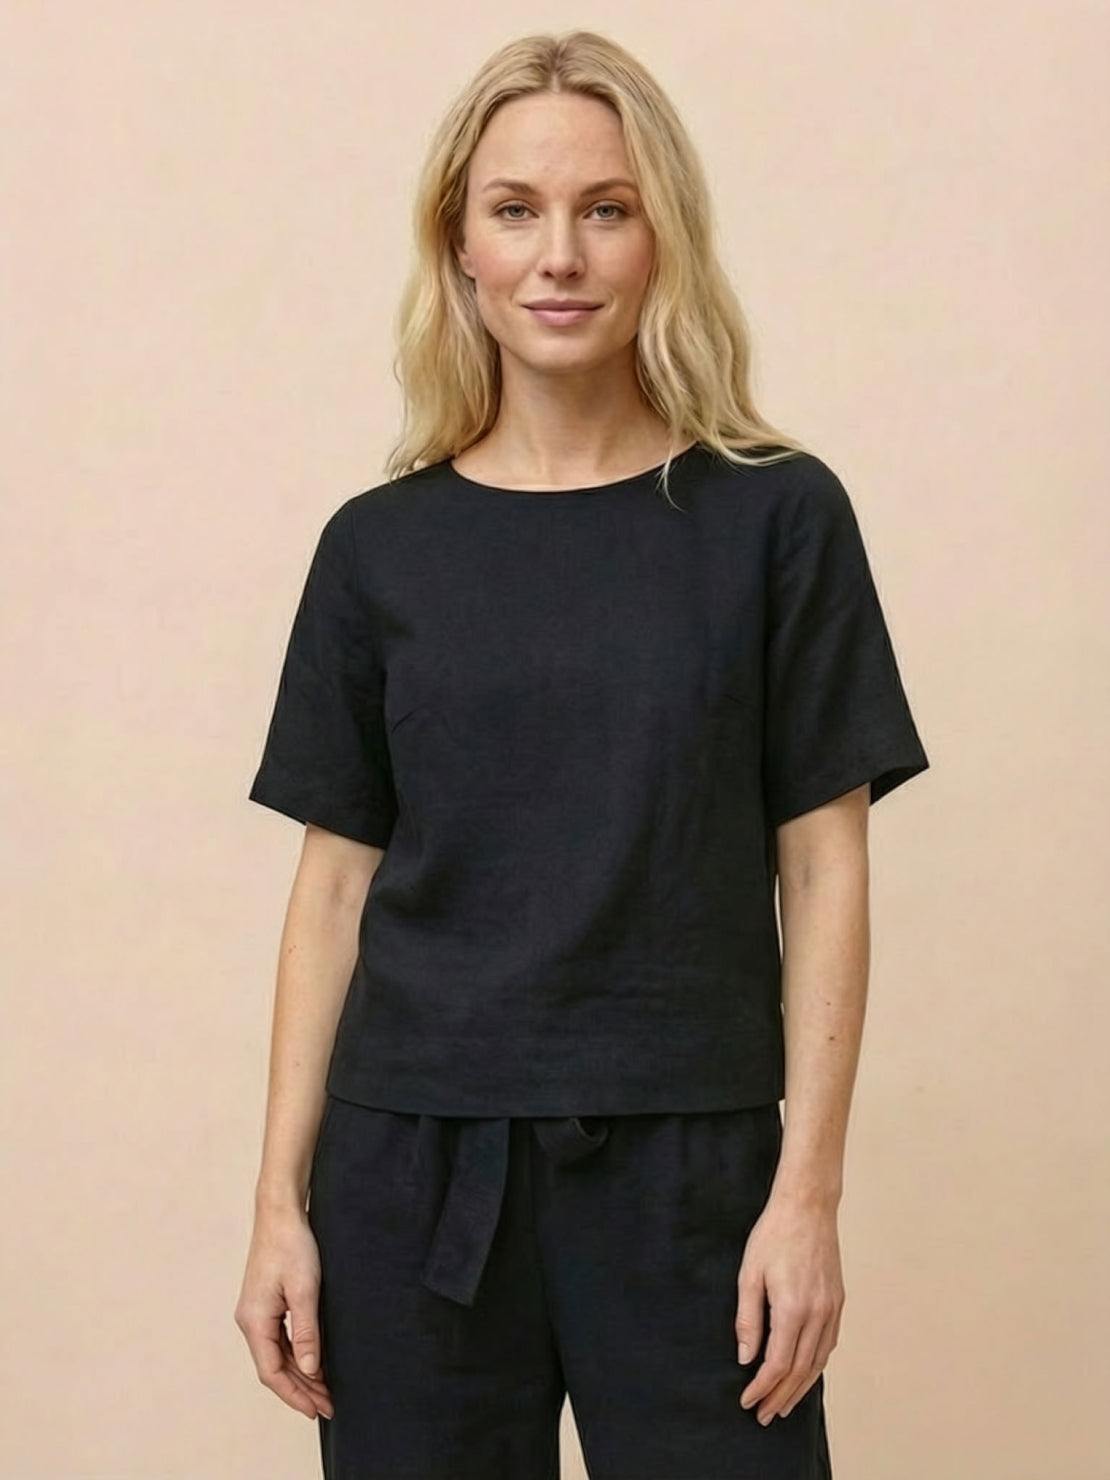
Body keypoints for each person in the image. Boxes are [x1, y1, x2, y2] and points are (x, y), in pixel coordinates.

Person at [234, 28, 929, 1480]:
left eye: (605, 209)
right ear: (461, 245)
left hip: (692, 1168)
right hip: (410, 1169)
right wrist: (278, 1204)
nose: (560, 255)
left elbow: (824, 868)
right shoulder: (378, 548)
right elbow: (333, 891)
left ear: (661, 236)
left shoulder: (776, 519)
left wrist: (806, 1196)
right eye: (517, 210)